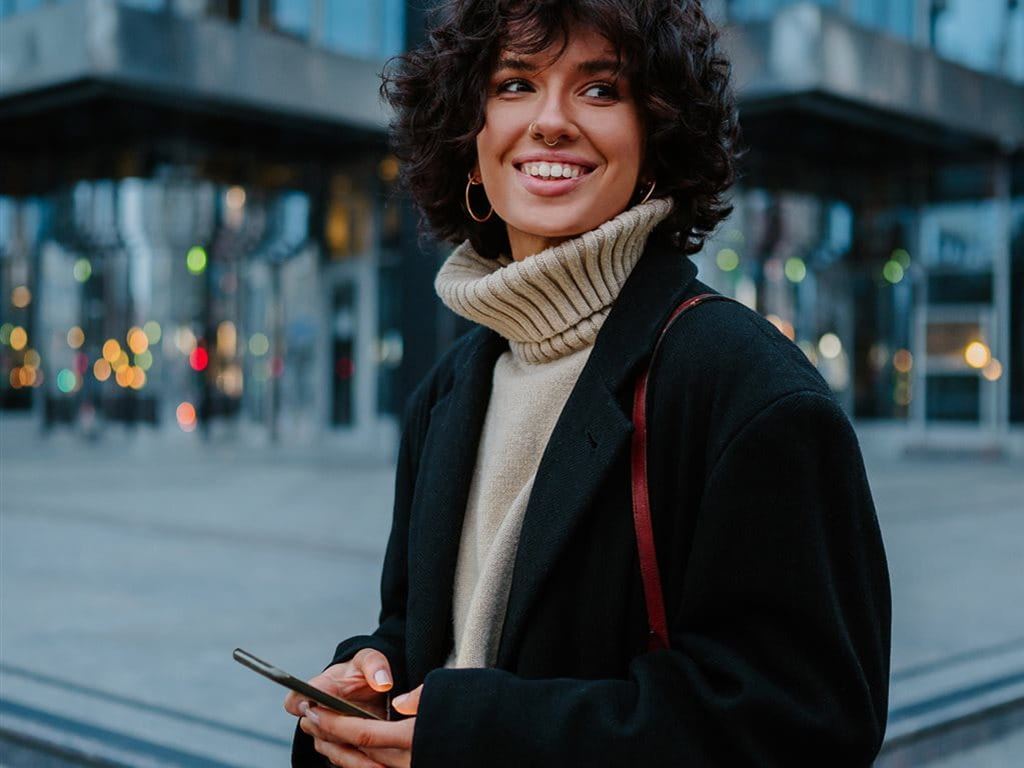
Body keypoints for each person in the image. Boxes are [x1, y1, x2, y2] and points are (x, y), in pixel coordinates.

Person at [285, 1, 892, 766]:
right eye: (514, 84)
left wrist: (479, 736)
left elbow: (807, 721)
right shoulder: (448, 392)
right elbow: (425, 634)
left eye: (600, 90)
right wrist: (371, 681)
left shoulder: (741, 386)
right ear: (470, 138)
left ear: (654, 134)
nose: (551, 121)